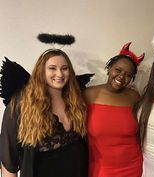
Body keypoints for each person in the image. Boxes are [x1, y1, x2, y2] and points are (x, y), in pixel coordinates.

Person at [0, 49, 88, 177]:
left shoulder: (76, 98)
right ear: (41, 71)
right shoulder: (21, 103)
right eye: (52, 68)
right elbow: (9, 155)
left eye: (64, 68)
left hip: (77, 170)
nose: (59, 73)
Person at [84, 42, 144, 177]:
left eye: (128, 75)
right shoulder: (89, 94)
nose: (122, 77)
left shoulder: (134, 96)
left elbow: (142, 132)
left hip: (133, 168)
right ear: (109, 68)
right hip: (99, 169)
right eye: (118, 70)